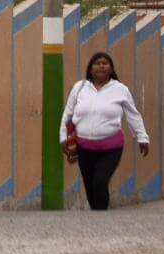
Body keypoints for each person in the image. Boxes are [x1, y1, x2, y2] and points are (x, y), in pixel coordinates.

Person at [59, 51, 150, 210]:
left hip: (110, 148)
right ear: (90, 69)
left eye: (105, 63)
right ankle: (97, 215)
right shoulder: (79, 88)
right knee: (89, 186)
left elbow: (133, 115)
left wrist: (142, 137)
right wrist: (63, 138)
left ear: (111, 69)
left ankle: (101, 217)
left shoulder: (120, 89)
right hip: (84, 147)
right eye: (97, 63)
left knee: (100, 182)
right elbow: (67, 114)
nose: (101, 66)